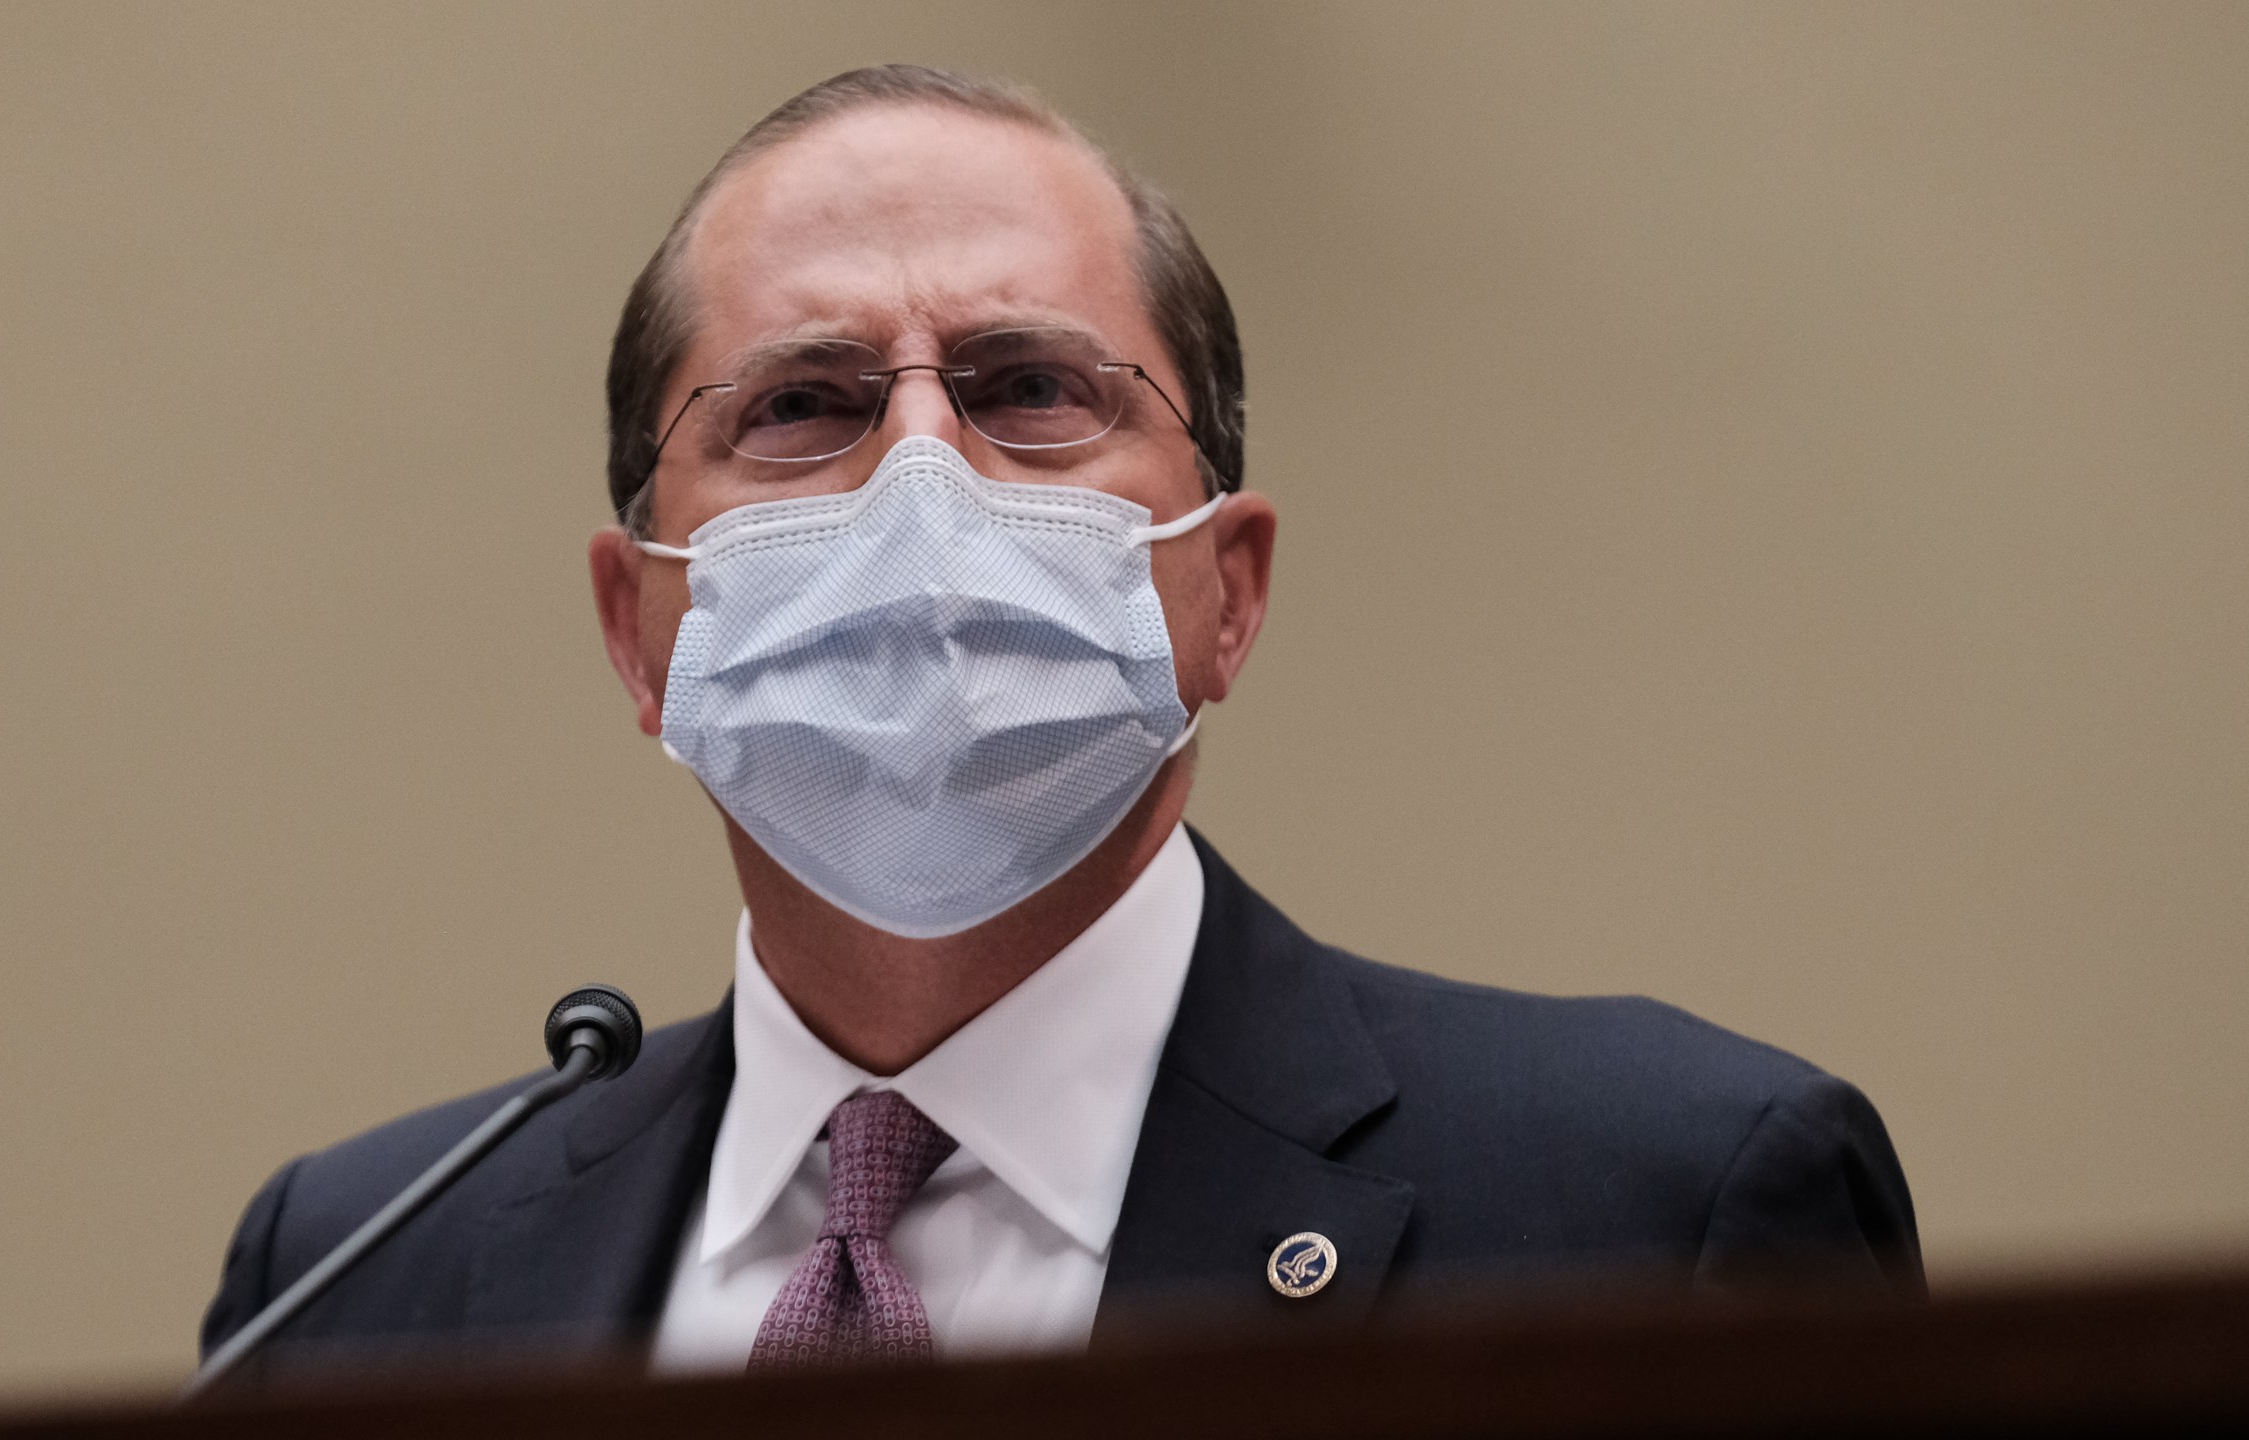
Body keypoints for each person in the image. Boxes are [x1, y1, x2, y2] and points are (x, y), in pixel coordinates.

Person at [201, 64, 1919, 1378]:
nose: (922, 483)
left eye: (1032, 389)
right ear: (639, 630)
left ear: (1226, 593)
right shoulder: (355, 1282)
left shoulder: (1655, 1212)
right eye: (805, 405)